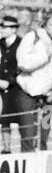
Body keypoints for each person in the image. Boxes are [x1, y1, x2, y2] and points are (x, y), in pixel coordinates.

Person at [15, 12, 52, 150]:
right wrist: (46, 54)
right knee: (28, 133)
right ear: (45, 25)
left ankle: (42, 160)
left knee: (44, 133)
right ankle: (28, 164)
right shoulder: (32, 38)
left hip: (48, 96)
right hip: (27, 93)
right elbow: (23, 63)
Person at [0, 14, 20, 154]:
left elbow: (22, 66)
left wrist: (11, 81)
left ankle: (29, 148)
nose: (2, 29)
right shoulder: (0, 43)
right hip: (1, 86)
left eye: (5, 27)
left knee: (23, 118)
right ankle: (6, 148)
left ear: (14, 29)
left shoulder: (21, 43)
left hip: (17, 87)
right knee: (4, 118)